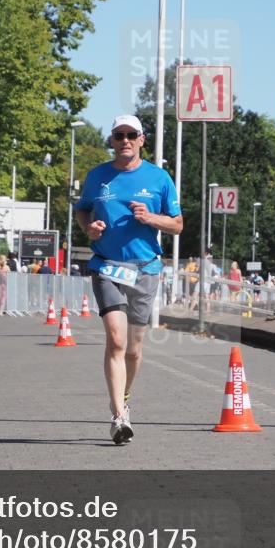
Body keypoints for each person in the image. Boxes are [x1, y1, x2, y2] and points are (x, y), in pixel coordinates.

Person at [75, 114, 182, 445]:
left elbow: (177, 225)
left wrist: (151, 218)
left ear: (141, 139)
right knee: (116, 341)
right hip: (106, 265)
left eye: (130, 135)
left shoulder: (159, 177)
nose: (124, 140)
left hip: (145, 269)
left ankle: (124, 396)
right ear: (112, 139)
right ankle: (119, 417)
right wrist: (88, 228)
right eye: (118, 135)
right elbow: (82, 210)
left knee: (134, 350)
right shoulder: (98, 177)